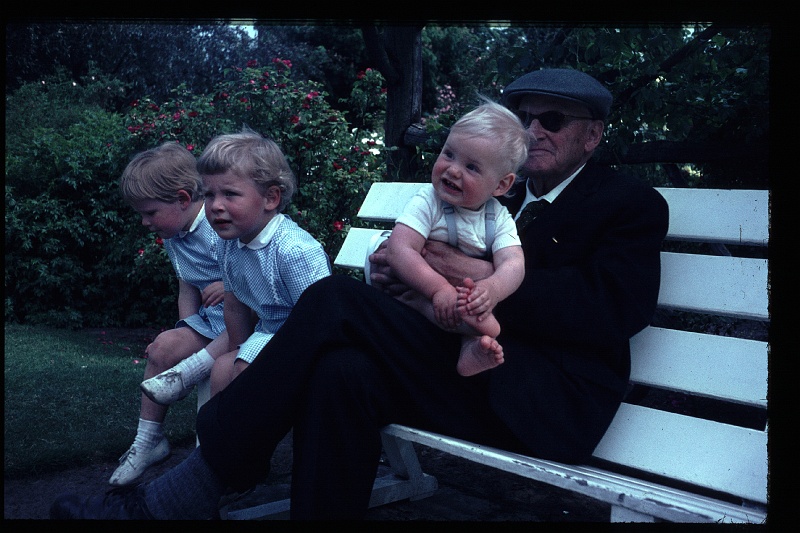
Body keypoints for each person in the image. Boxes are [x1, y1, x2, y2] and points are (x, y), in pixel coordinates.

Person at [50, 68, 669, 520]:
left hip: (541, 395)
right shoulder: (495, 196)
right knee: (343, 369)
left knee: (331, 301)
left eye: (552, 120)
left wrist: (459, 270)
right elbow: (422, 273)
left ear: (593, 136)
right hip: (457, 369)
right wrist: (396, 279)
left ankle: (191, 487)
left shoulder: (628, 205)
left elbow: (615, 311)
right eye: (525, 117)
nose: (534, 130)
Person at [140, 128, 331, 401]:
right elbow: (234, 305)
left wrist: (244, 357)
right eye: (209, 195)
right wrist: (236, 350)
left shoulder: (295, 251)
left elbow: (319, 318)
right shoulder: (231, 244)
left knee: (241, 369)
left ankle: (243, 441)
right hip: (267, 333)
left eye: (230, 194)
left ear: (271, 198)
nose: (216, 205)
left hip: (303, 341)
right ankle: (219, 442)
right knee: (222, 367)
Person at [111, 142, 229, 487]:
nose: (145, 222)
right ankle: (148, 442)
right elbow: (187, 287)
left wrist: (227, 285)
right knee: (163, 348)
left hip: (248, 322)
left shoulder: (218, 225)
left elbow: (253, 273)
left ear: (181, 199)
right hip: (212, 324)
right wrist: (184, 332)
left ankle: (221, 463)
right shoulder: (174, 235)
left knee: (216, 363)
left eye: (150, 213)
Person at [385, 101, 527, 376]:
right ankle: (419, 302)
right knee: (472, 311)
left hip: (455, 300)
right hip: (411, 288)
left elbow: (513, 263)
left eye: (472, 167)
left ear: (501, 185)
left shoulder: (497, 218)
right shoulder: (429, 201)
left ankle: (470, 347)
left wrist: (493, 288)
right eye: (449, 154)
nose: (452, 170)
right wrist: (437, 288)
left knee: (475, 306)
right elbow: (400, 249)